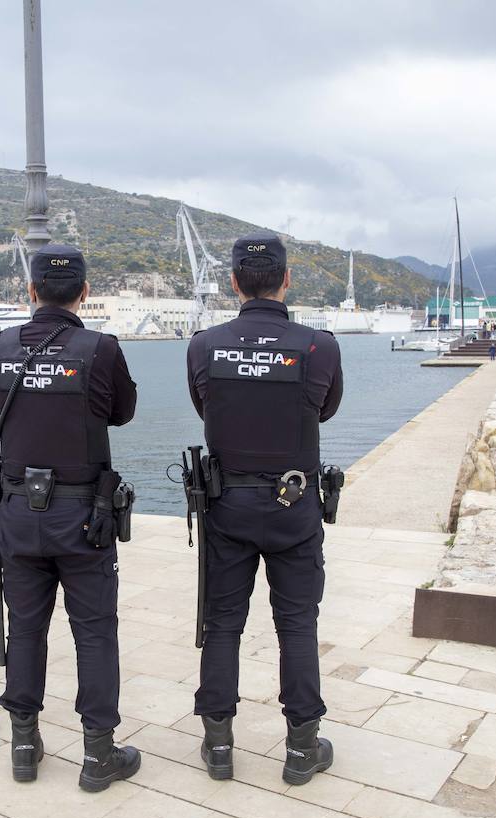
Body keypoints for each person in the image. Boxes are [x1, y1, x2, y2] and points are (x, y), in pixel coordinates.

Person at [186, 232, 343, 786]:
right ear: (287, 278)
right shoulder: (319, 346)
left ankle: (219, 743)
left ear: (232, 283)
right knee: (297, 623)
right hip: (294, 505)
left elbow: (205, 404)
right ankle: (302, 747)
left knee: (223, 623)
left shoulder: (205, 346)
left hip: (227, 504)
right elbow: (324, 409)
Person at [0, 243, 141, 792]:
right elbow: (122, 412)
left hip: (17, 510)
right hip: (82, 514)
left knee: (26, 628)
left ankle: (24, 745)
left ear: (31, 291)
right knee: (95, 632)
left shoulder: (2, 344)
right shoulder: (99, 348)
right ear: (85, 292)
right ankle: (99, 754)